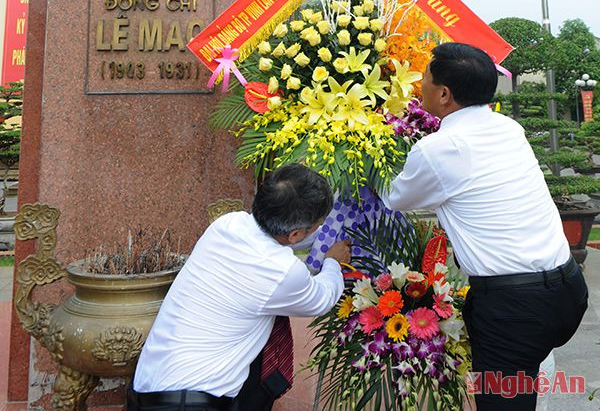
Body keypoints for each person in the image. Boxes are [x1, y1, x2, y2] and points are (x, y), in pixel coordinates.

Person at [380, 42, 588, 410]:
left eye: (424, 78)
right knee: (526, 379)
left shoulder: (439, 148)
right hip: (568, 290)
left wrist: (370, 153)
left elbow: (396, 197)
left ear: (444, 94)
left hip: (515, 311)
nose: (419, 86)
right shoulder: (509, 128)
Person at [128, 164, 350, 411]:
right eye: (317, 227)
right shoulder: (283, 271)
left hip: (145, 389)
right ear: (296, 234)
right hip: (189, 402)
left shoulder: (226, 225)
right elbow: (323, 297)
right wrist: (333, 262)